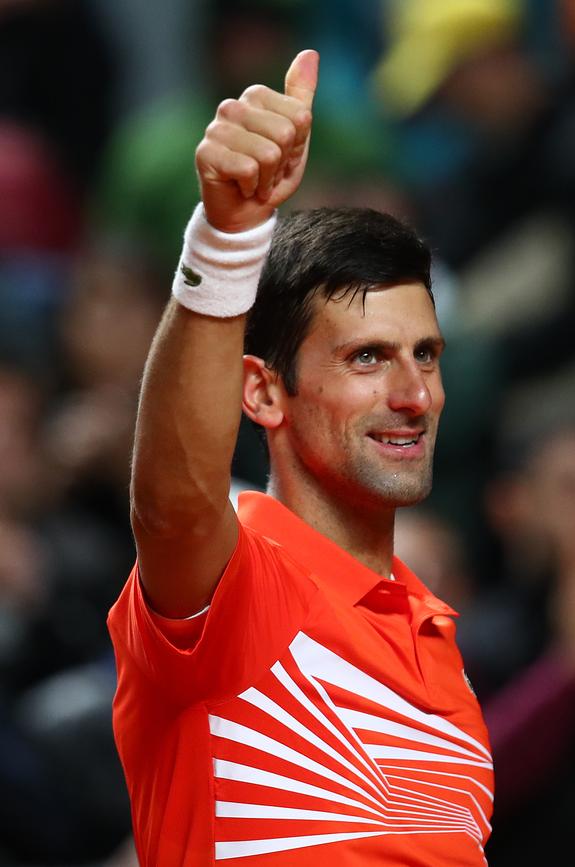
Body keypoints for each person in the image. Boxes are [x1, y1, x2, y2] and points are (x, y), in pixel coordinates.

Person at [108, 50, 493, 866]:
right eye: (366, 358)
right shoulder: (237, 578)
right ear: (265, 394)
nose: (414, 393)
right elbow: (173, 504)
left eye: (426, 355)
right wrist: (227, 241)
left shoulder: (442, 647)